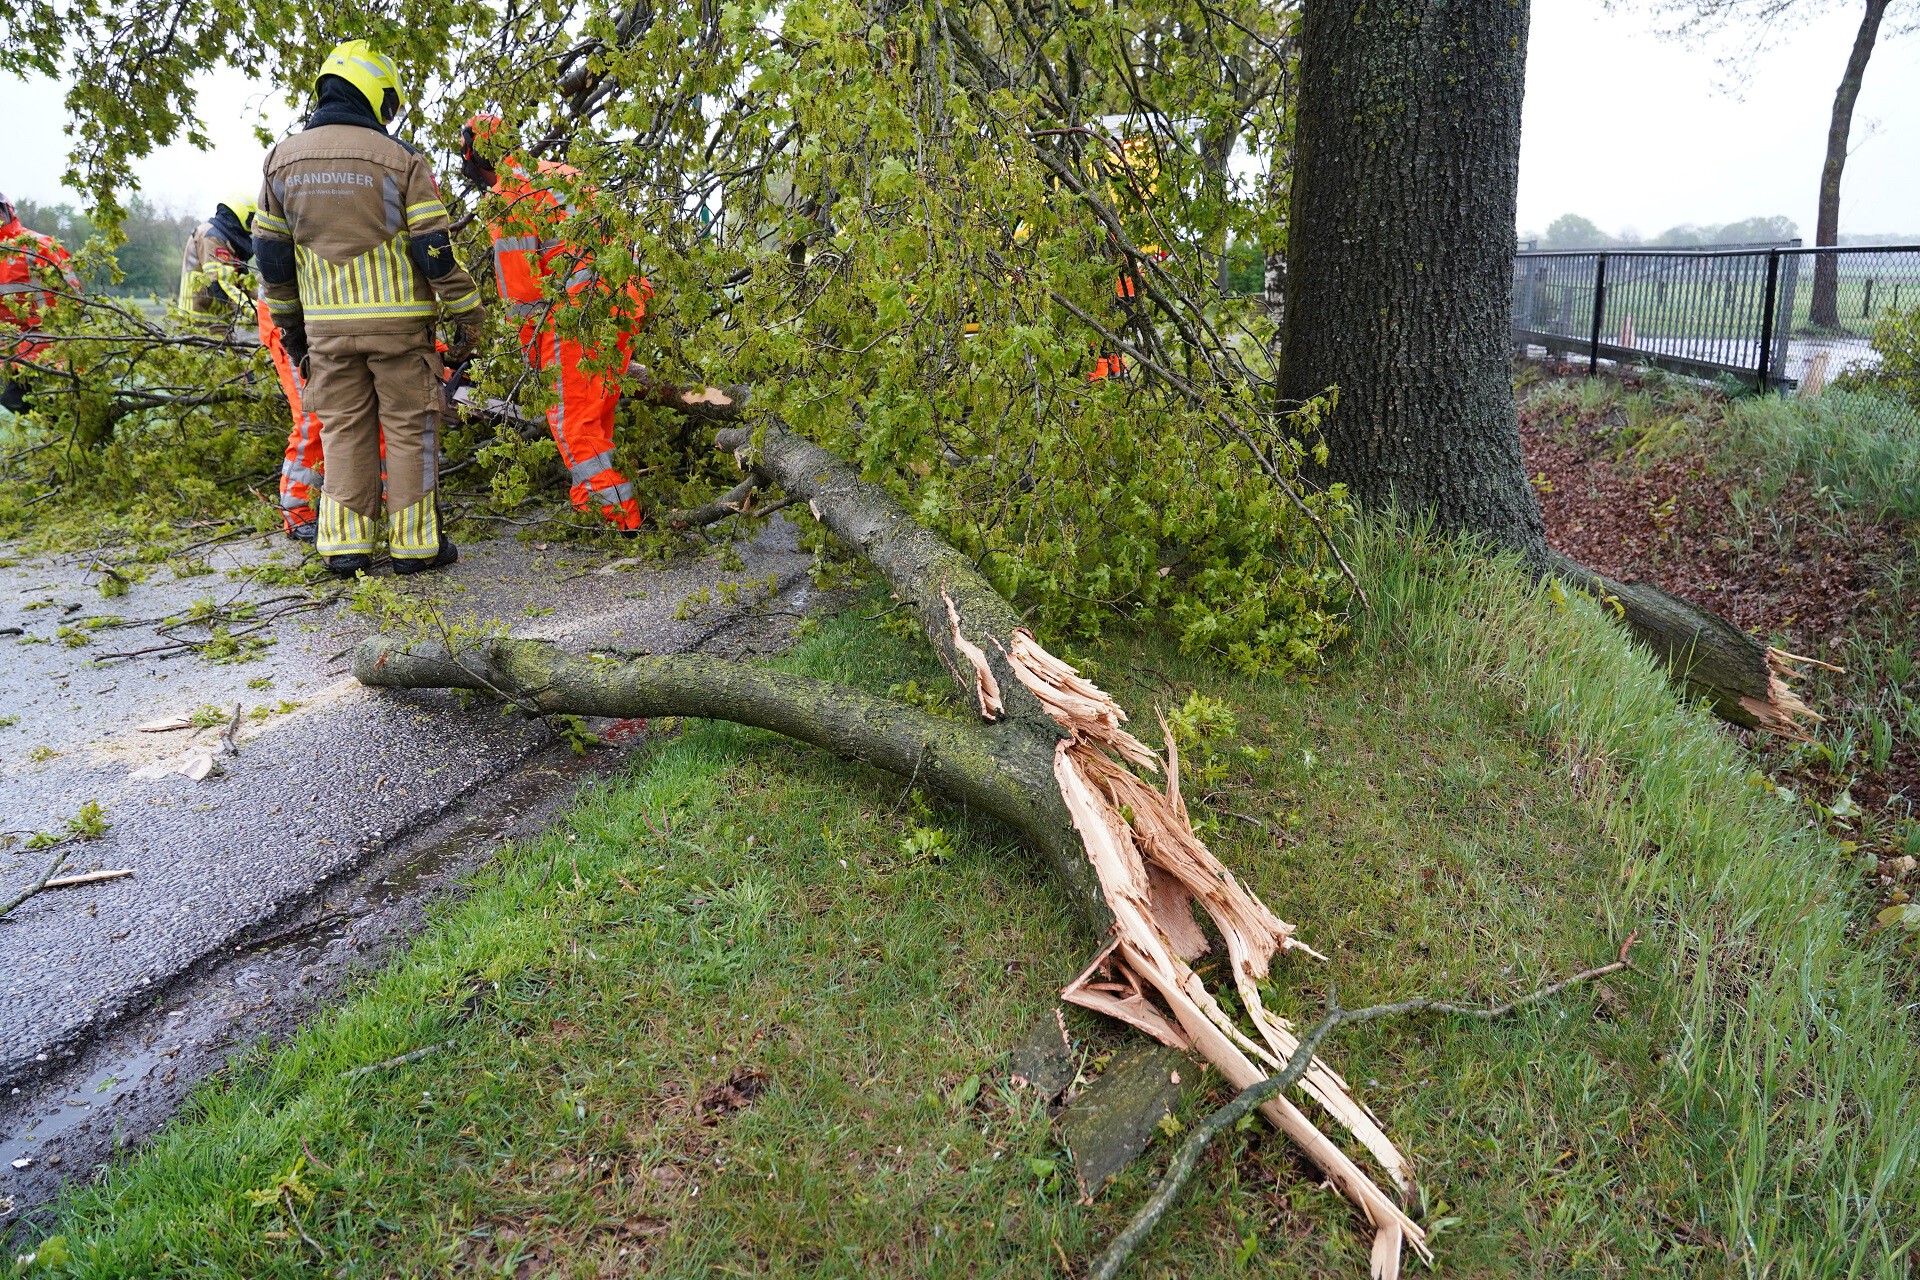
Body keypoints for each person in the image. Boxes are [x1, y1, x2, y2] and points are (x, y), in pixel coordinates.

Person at [254, 40, 485, 578]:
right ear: (375, 95)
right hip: (400, 332)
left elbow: (272, 261)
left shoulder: (279, 162)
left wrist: (292, 333)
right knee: (408, 429)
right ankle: (416, 546)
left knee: (342, 430)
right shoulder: (400, 161)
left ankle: (343, 546)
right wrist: (468, 313)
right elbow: (433, 252)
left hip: (327, 332)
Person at [459, 114, 649, 531]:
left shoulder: (507, 198)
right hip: (622, 301)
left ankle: (617, 520)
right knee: (594, 417)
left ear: (476, 157)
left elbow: (524, 294)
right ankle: (592, 506)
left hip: (576, 315)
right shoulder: (562, 174)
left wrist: (531, 351)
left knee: (572, 421)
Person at [0, 191, 83, 414]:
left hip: (51, 347)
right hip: (12, 351)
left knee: (63, 412)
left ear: (8, 211)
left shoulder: (39, 245)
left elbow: (75, 298)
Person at [177, 192, 258, 323]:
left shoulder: (230, 240)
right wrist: (256, 313)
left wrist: (268, 308)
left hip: (217, 318)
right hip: (198, 319)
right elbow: (220, 283)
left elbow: (245, 280)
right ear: (243, 214)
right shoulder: (212, 237)